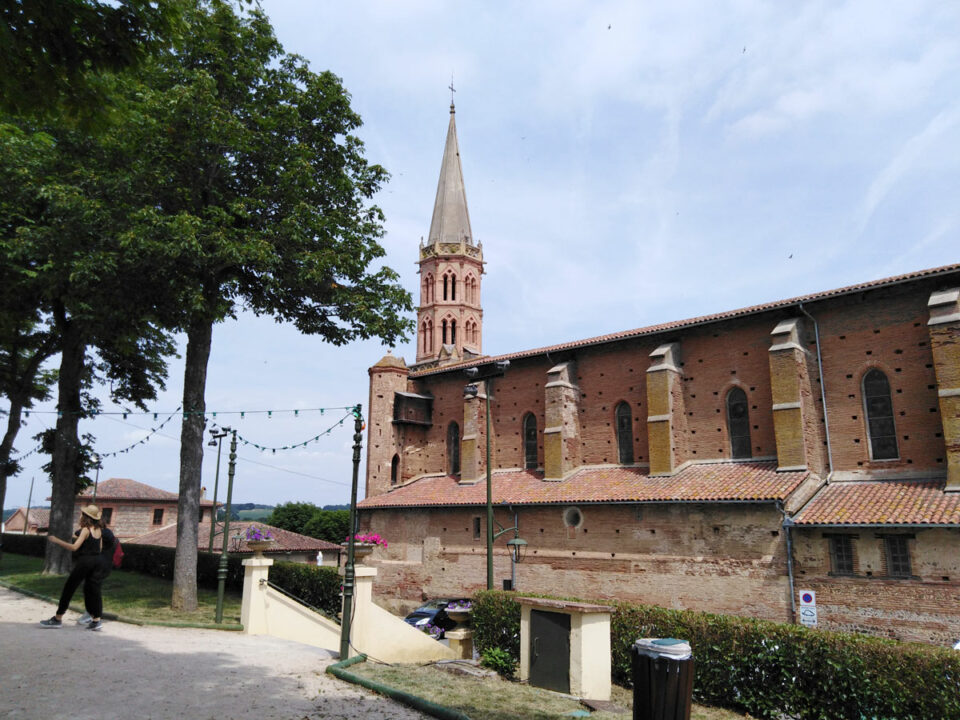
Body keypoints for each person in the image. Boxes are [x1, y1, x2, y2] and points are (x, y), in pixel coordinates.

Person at [40, 504, 109, 631]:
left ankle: (58, 618)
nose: (80, 515)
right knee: (93, 591)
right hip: (97, 561)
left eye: (82, 514)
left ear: (86, 516)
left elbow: (74, 547)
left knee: (69, 588)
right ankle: (96, 620)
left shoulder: (85, 530)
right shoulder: (99, 530)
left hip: (85, 562)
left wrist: (56, 540)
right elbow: (99, 548)